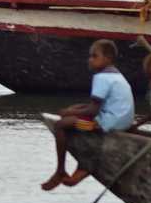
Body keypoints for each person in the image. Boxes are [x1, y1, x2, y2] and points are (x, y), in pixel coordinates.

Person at [41, 40, 135, 190]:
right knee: (74, 118)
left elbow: (93, 111)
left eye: (94, 56)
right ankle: (81, 166)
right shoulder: (116, 75)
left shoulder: (101, 78)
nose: (90, 59)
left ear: (107, 59)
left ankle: (60, 170)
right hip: (123, 120)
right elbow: (99, 104)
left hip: (109, 122)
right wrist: (78, 108)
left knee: (61, 125)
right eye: (90, 56)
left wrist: (69, 112)